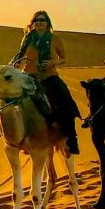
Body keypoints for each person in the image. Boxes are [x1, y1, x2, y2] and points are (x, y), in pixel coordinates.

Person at [11, 10, 81, 154]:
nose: (38, 23)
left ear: (47, 23)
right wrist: (13, 64)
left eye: (42, 20)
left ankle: (72, 138)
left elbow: (63, 58)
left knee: (65, 97)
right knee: (11, 97)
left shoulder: (55, 39)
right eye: (36, 20)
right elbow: (21, 53)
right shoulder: (28, 38)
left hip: (49, 75)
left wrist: (53, 62)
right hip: (30, 75)